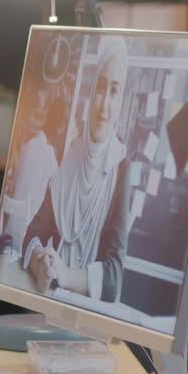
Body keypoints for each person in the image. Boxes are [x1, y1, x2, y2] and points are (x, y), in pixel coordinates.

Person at [18, 36, 132, 302]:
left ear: (121, 101)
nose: (103, 105)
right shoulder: (73, 155)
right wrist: (41, 262)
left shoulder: (122, 167)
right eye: (100, 88)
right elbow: (33, 234)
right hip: (49, 301)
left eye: (114, 91)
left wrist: (66, 274)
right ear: (91, 94)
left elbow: (114, 279)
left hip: (88, 318)